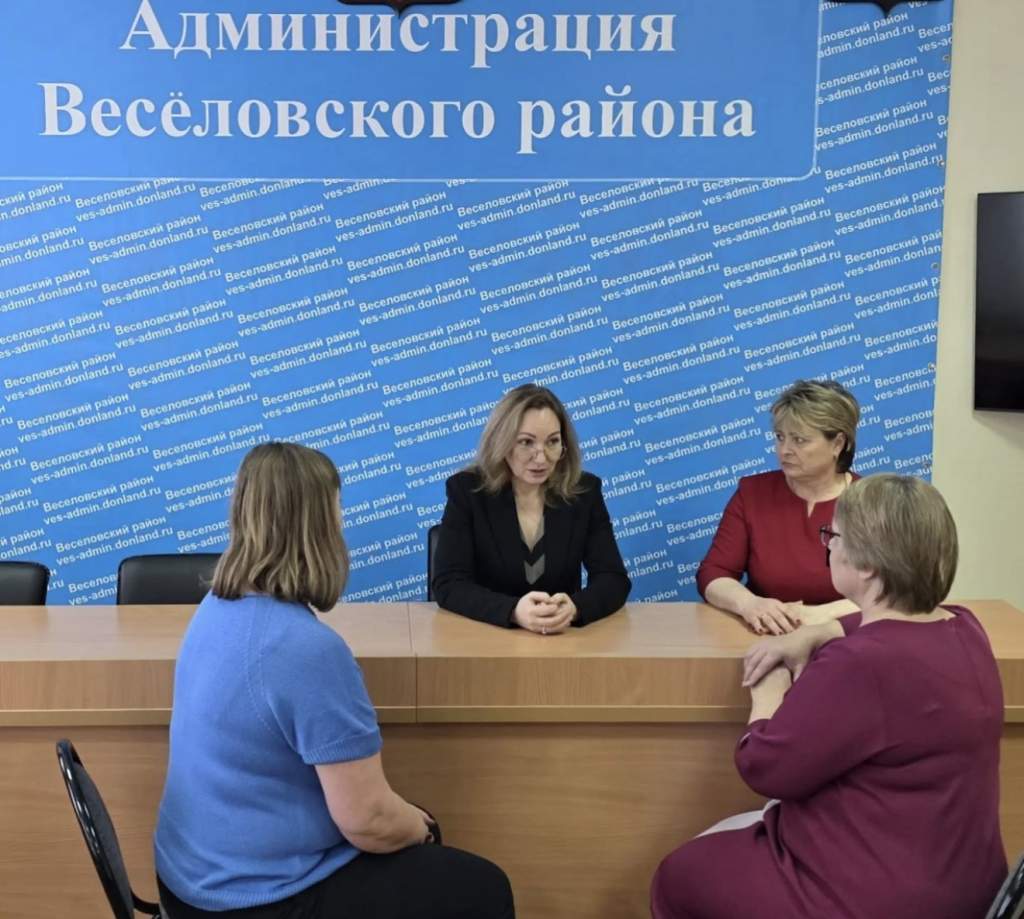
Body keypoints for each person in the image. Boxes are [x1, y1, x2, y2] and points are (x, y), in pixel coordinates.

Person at [154, 442, 514, 919]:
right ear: (317, 526)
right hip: (253, 898)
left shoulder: (216, 608)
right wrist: (422, 828)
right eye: (337, 509)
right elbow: (369, 822)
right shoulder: (306, 651)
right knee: (483, 888)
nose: (343, 523)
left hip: (189, 878)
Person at [651, 474, 1006, 919]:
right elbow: (882, 625)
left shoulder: (861, 663)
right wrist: (817, 632)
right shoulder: (965, 627)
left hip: (881, 898)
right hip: (971, 886)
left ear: (867, 565)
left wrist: (768, 692)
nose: (829, 547)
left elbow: (765, 768)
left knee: (680, 875)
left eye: (833, 537)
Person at [432, 384, 631, 633]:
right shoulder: (468, 491)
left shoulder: (584, 493)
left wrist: (575, 607)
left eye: (552, 442)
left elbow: (613, 579)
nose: (541, 457)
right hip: (488, 636)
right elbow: (449, 583)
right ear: (502, 443)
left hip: (560, 640)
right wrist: (513, 611)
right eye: (526, 442)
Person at [696, 379, 861, 635]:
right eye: (780, 437)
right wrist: (750, 604)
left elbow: (897, 592)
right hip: (767, 635)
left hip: (848, 637)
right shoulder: (753, 493)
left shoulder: (873, 501)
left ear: (837, 444)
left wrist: (821, 615)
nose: (785, 450)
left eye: (800, 440)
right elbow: (714, 572)